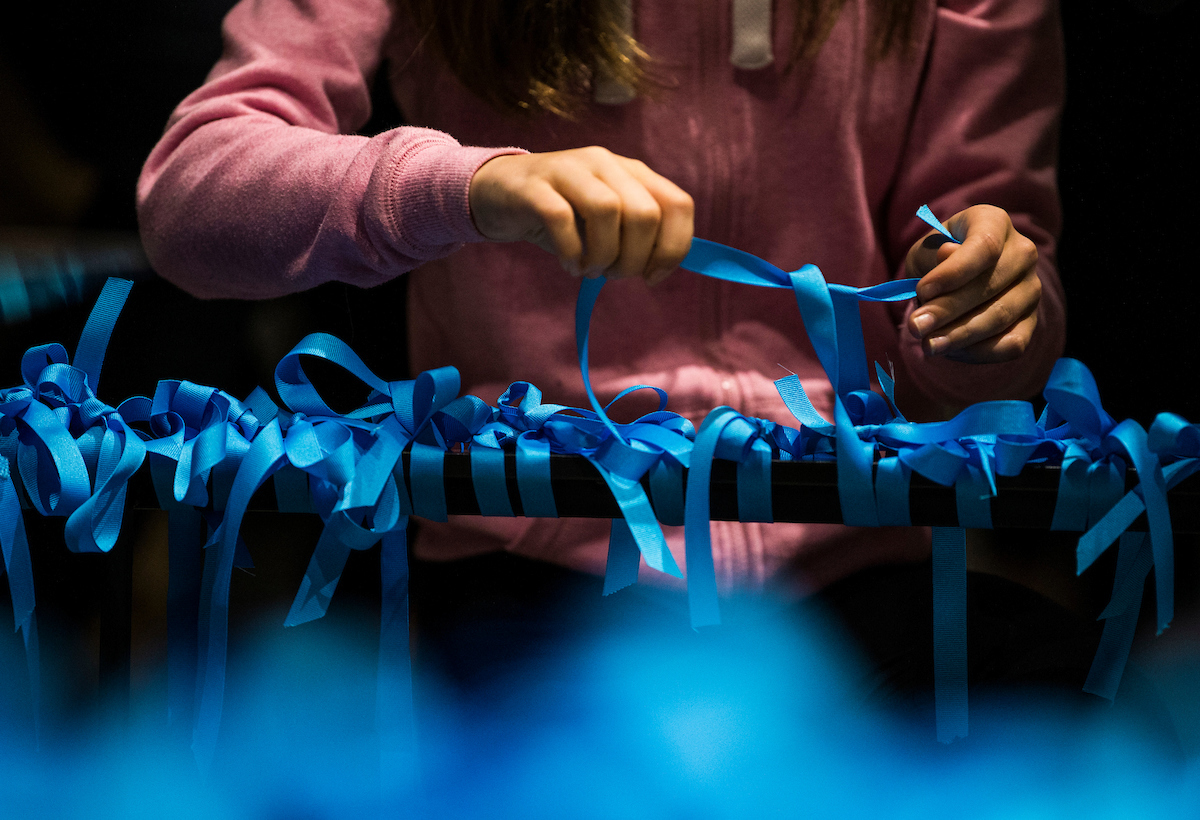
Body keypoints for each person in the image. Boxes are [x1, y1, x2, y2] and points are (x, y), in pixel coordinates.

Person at [138, 0, 1096, 738]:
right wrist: (471, 186)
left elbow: (996, 296)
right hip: (519, 578)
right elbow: (193, 193)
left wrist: (991, 312)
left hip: (865, 569)